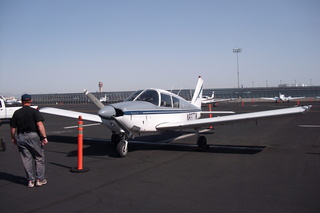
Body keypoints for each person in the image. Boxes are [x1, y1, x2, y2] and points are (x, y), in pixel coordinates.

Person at [10, 94, 48, 188]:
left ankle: (30, 180)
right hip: (33, 136)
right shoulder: (34, 112)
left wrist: (13, 138)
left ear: (22, 101)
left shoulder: (17, 113)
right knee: (39, 158)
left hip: (21, 137)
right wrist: (44, 137)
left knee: (26, 159)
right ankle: (39, 179)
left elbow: (12, 128)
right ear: (30, 101)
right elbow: (40, 125)